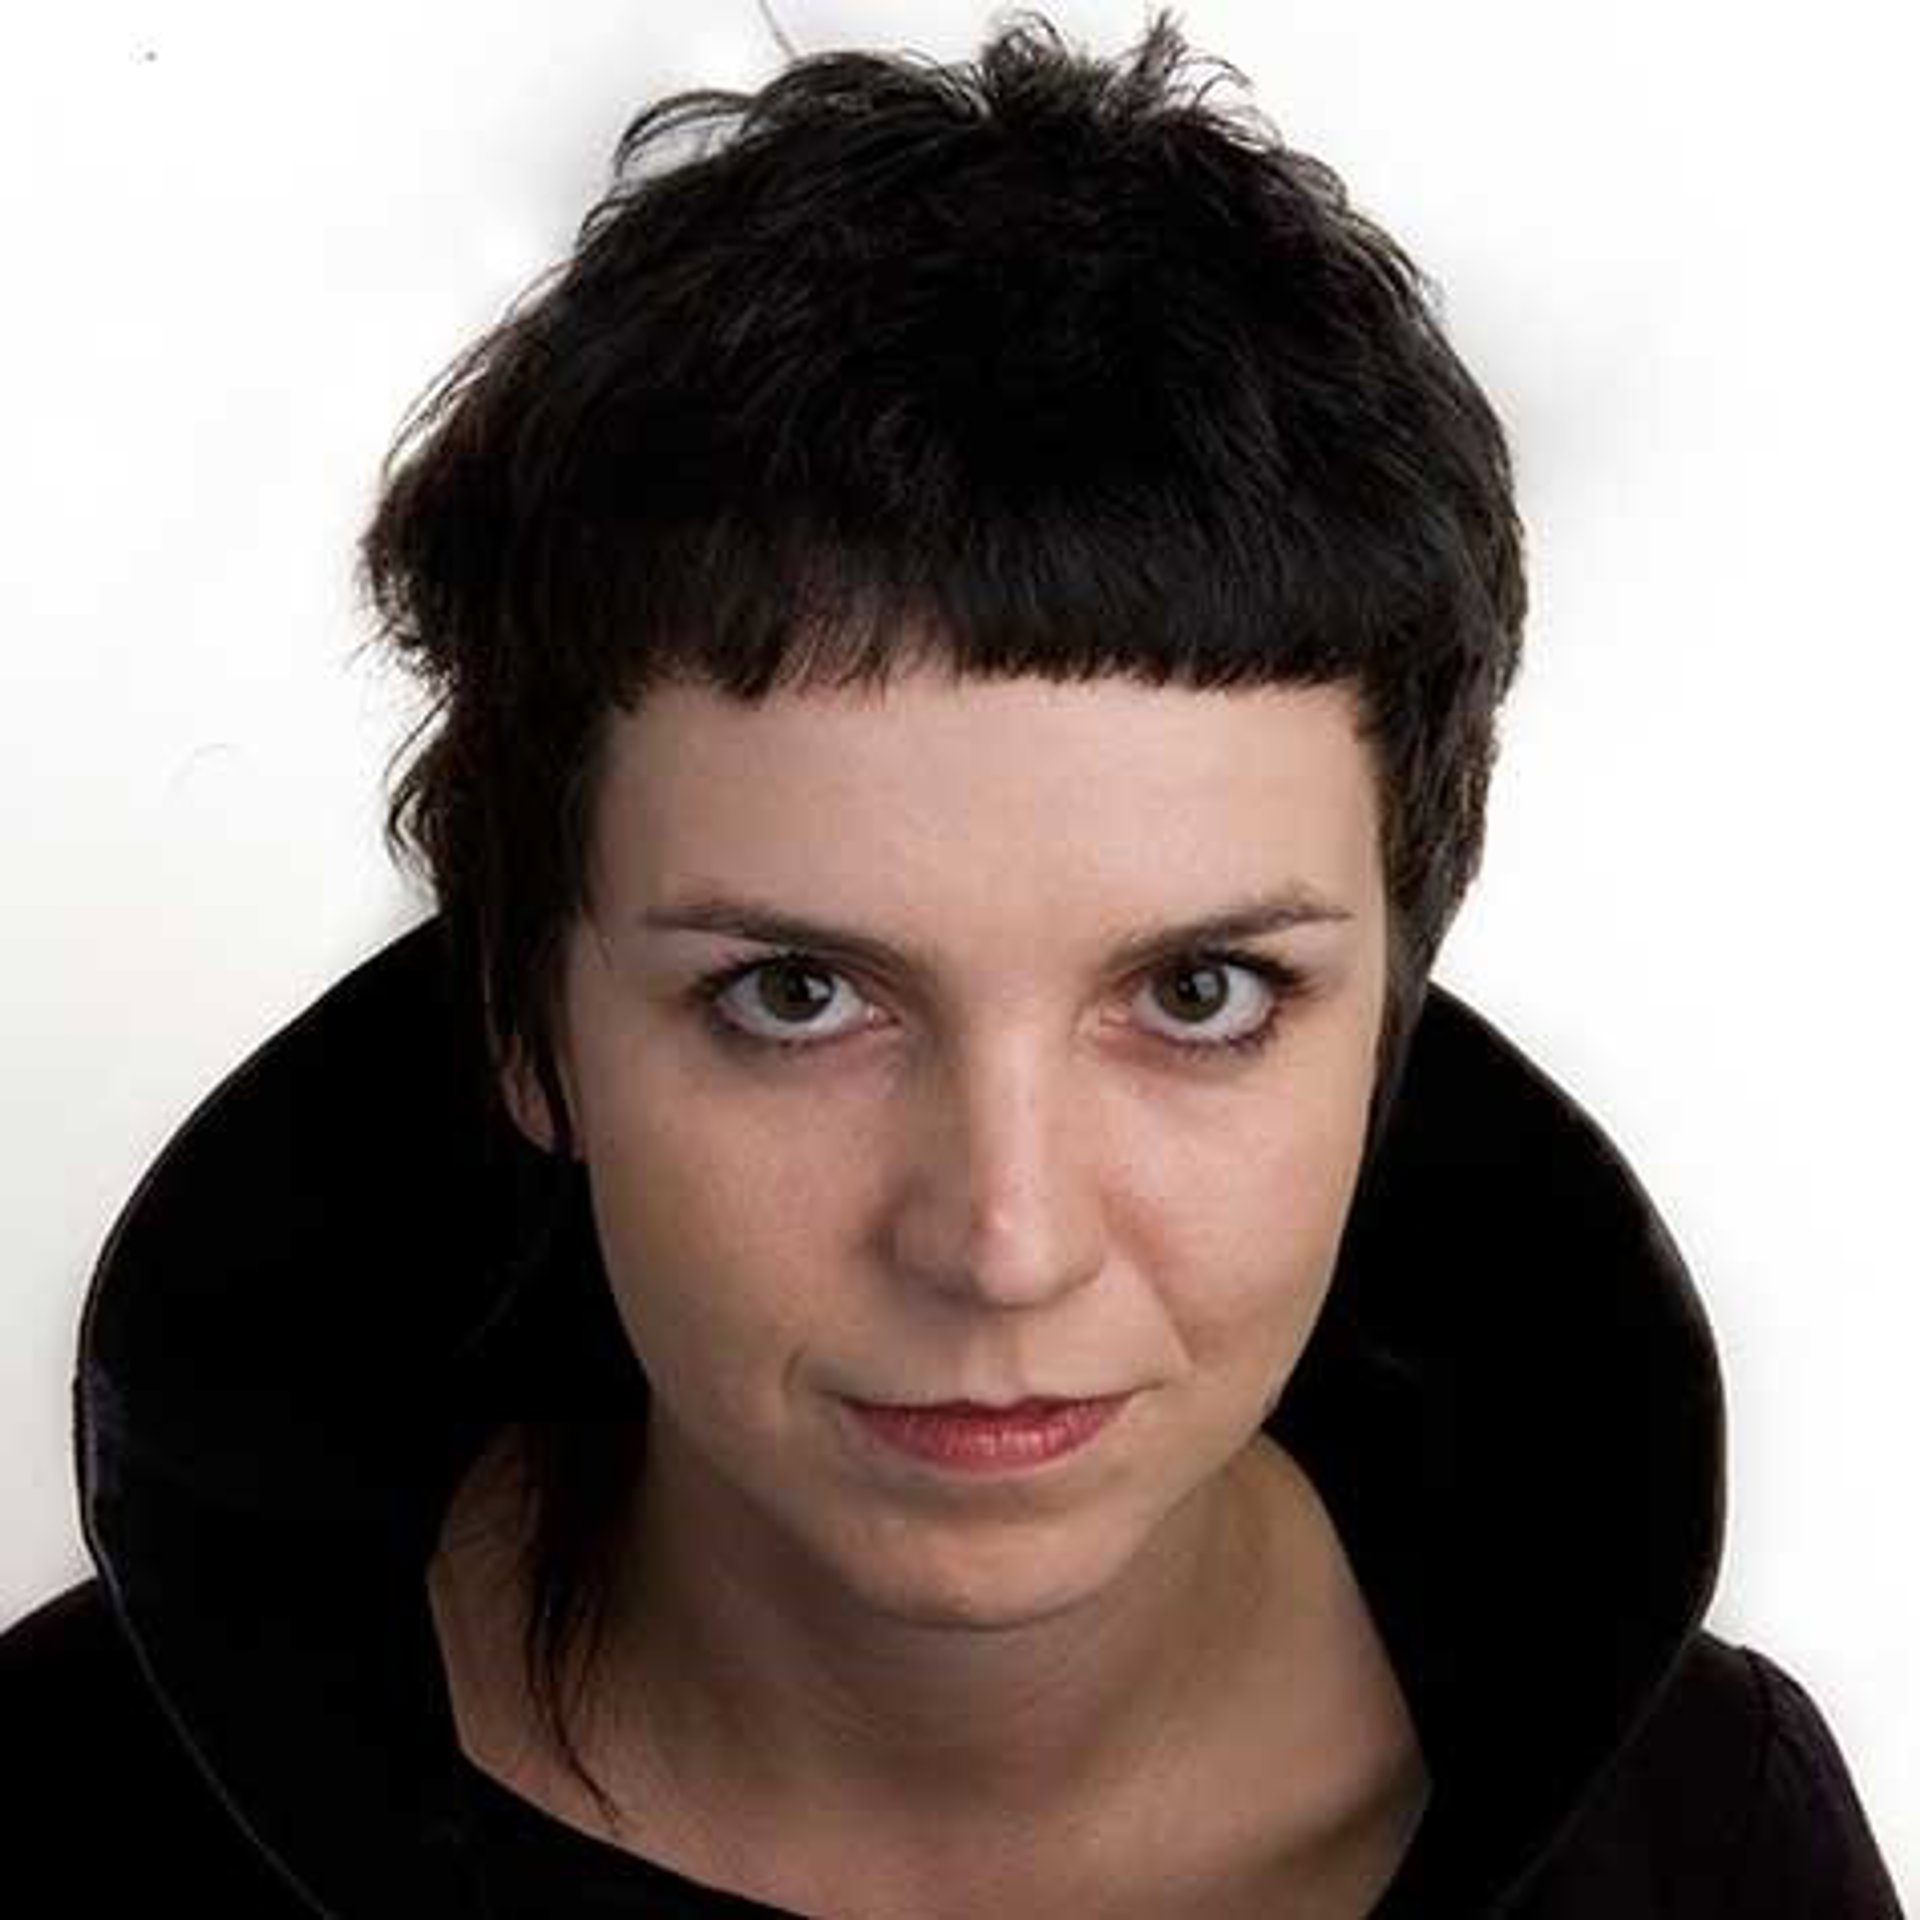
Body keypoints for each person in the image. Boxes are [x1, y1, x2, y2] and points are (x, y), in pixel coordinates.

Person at [0, 11, 1904, 1917]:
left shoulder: (1711, 1855)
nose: (1005, 1241)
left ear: (1390, 1022)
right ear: (526, 1015)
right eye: (796, 995)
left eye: (1200, 995)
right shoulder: (62, 1817)